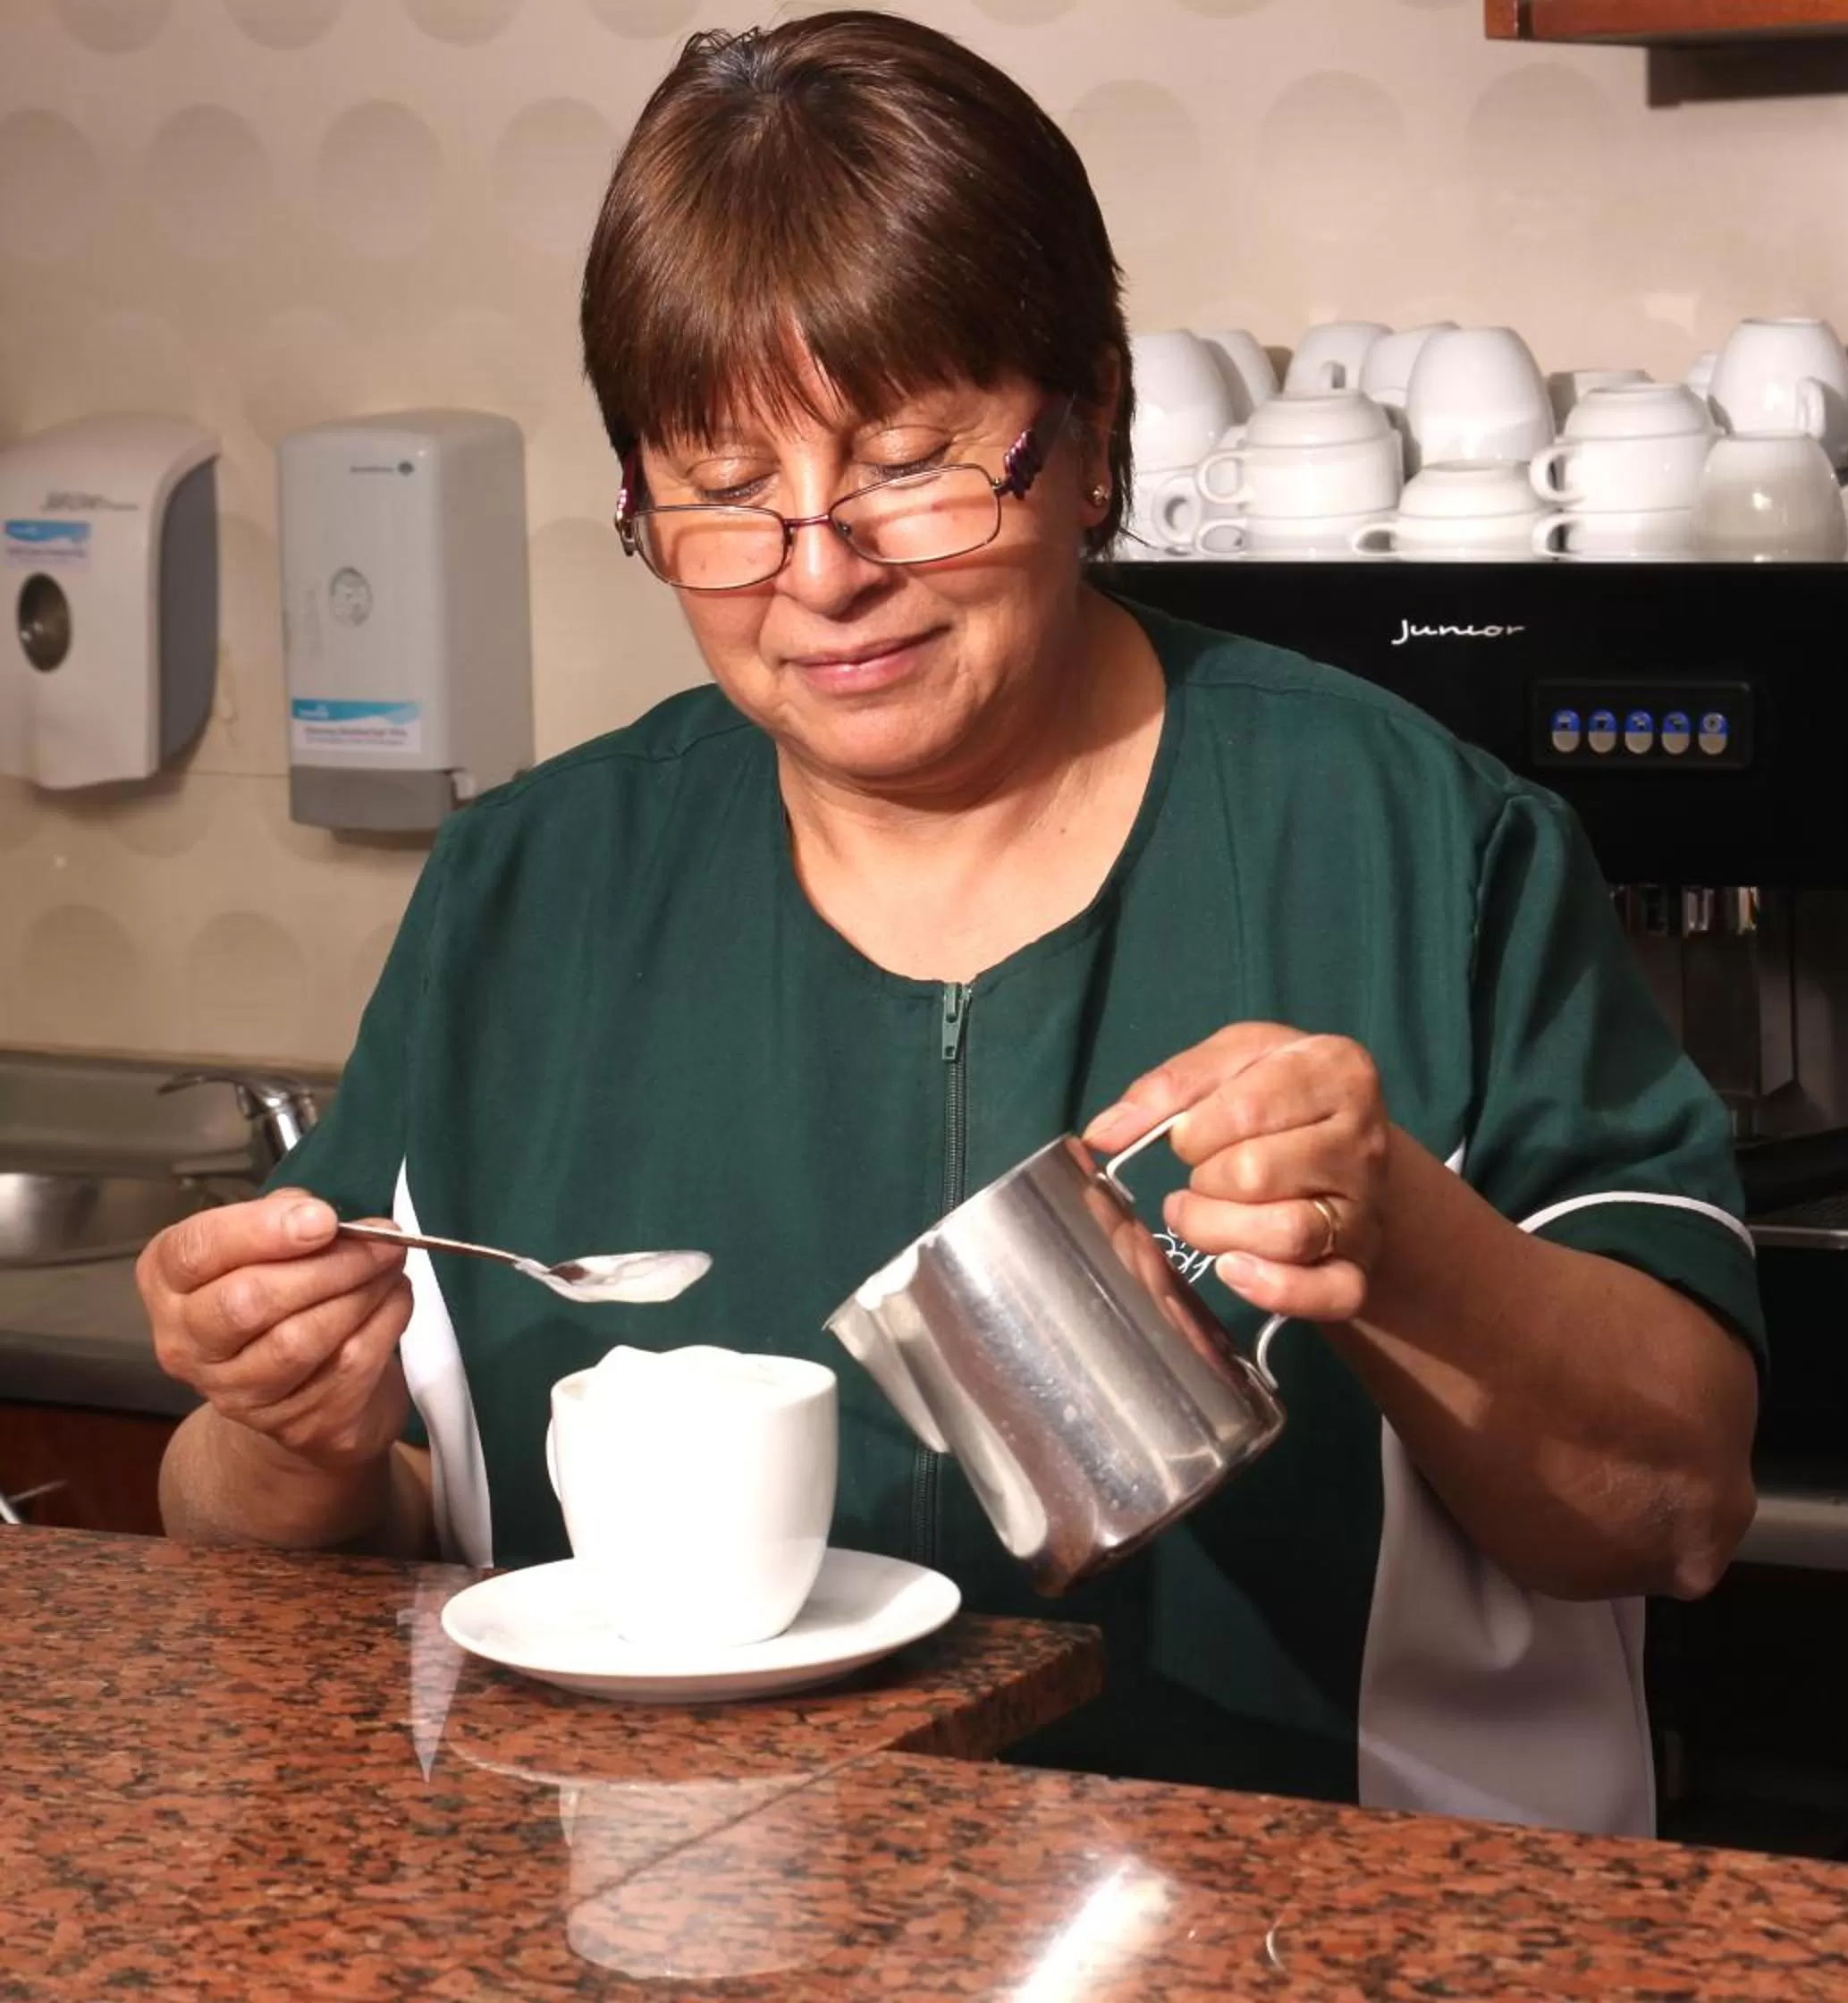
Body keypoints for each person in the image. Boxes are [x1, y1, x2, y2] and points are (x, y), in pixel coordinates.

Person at [138, 11, 1760, 1836]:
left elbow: (1678, 1506)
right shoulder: (530, 891)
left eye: (911, 460)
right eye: (728, 492)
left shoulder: (1409, 844)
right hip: (663, 1934)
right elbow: (291, 1546)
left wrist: (1407, 1242)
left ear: (1093, 436)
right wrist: (286, 1433)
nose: (822, 572)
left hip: (1328, 1938)